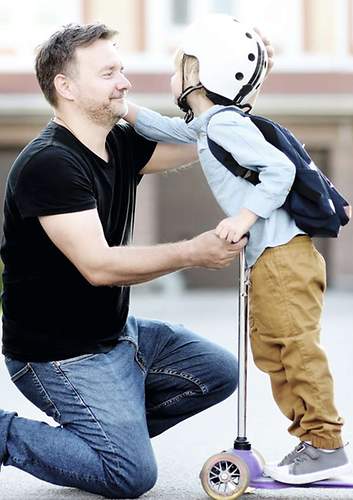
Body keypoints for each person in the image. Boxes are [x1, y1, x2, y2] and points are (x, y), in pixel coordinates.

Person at [0, 23, 253, 498]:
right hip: (57, 356)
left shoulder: (118, 142)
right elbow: (99, 266)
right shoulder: (50, 164)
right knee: (129, 476)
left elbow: (207, 143)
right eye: (109, 72)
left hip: (117, 336)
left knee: (218, 372)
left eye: (123, 69)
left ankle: (107, 438)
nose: (125, 82)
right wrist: (192, 252)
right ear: (66, 87)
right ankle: (15, 436)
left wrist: (237, 88)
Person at [125, 13, 350, 485]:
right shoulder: (211, 124)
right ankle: (311, 441)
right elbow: (169, 130)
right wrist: (124, 111)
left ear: (204, 72)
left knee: (294, 348)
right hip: (270, 259)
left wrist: (243, 217)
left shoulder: (226, 124)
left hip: (283, 256)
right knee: (272, 351)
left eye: (181, 65)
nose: (173, 74)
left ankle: (325, 442)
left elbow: (278, 171)